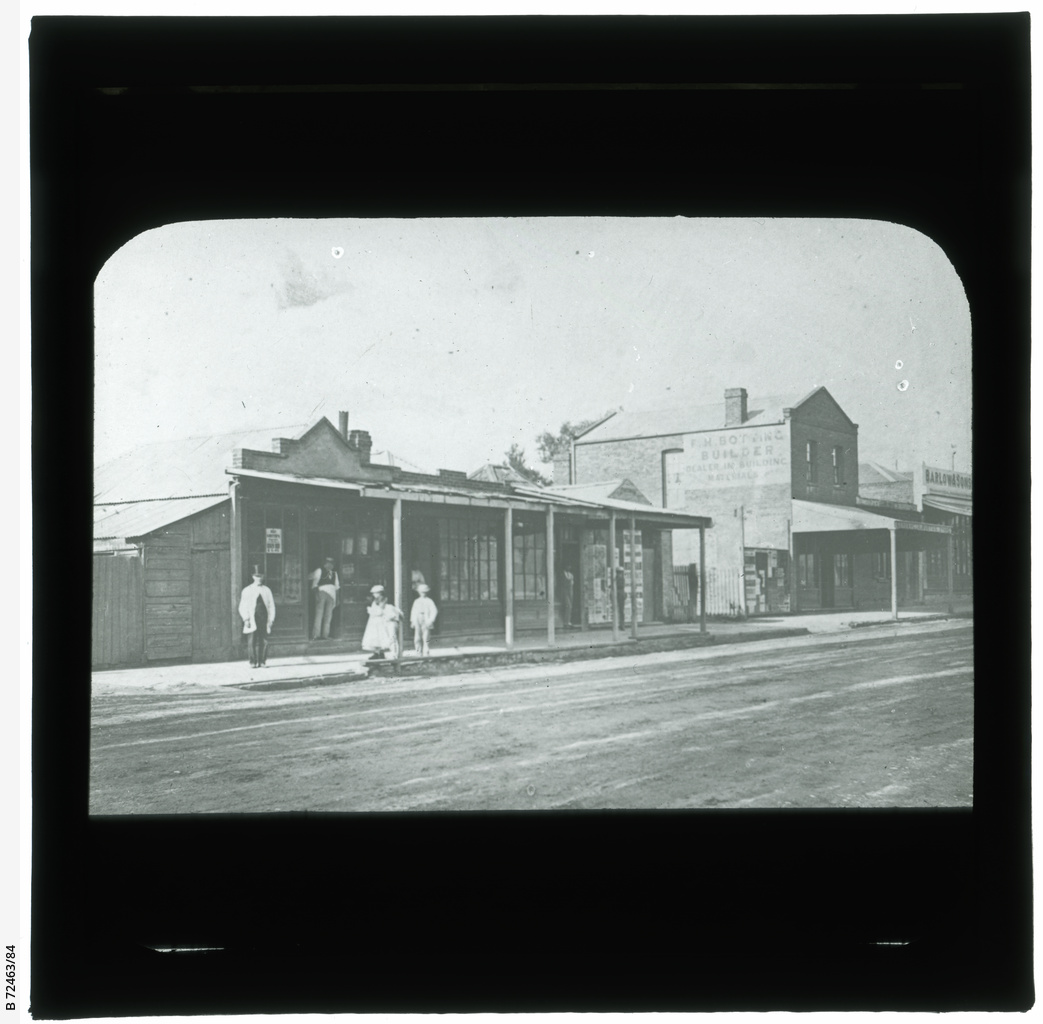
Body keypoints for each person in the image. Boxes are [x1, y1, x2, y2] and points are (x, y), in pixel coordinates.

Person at [238, 567, 276, 668]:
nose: (258, 578)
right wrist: (246, 619)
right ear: (253, 577)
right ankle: (252, 661)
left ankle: (262, 661)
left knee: (264, 641)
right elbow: (242, 606)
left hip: (263, 618)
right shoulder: (247, 590)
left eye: (260, 576)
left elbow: (271, 605)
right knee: (252, 641)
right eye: (256, 576)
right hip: (252, 619)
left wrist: (271, 619)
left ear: (263, 577)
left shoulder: (267, 590)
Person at [362, 584, 403, 661]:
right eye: (374, 593)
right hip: (374, 621)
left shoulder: (384, 601)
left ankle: (383, 653)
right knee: (374, 637)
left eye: (376, 593)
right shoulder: (375, 601)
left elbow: (380, 611)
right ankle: (377, 653)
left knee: (382, 637)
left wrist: (371, 611)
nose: (374, 595)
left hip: (381, 621)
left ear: (380, 593)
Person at [310, 556, 340, 640]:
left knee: (328, 615)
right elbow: (314, 584)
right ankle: (316, 635)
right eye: (328, 563)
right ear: (325, 564)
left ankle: (325, 635)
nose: (330, 565)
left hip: (331, 595)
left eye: (332, 564)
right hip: (321, 593)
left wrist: (337, 599)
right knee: (319, 614)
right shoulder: (319, 570)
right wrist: (317, 595)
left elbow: (337, 587)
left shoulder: (334, 573)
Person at [409, 583, 438, 656]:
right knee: (417, 637)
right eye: (421, 592)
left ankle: (426, 652)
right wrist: (412, 621)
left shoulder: (429, 601)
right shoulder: (417, 601)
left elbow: (434, 611)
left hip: (426, 618)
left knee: (426, 637)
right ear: (419, 592)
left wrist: (431, 620)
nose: (423, 594)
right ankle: (418, 652)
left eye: (424, 592)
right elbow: (413, 611)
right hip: (418, 618)